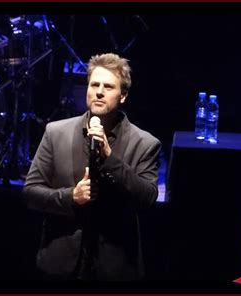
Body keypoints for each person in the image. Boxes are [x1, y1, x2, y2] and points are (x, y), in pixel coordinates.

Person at [23, 53, 161, 281]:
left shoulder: (145, 143)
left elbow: (147, 197)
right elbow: (30, 193)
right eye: (94, 84)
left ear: (123, 95)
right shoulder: (56, 133)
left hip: (115, 267)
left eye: (108, 86)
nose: (99, 91)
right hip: (60, 264)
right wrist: (70, 197)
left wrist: (110, 158)